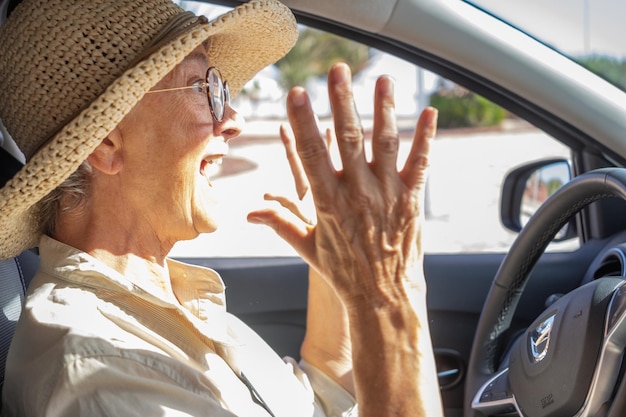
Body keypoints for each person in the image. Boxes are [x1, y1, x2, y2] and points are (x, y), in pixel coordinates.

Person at [0, 0, 443, 416]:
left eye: (221, 87)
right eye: (203, 87)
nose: (233, 119)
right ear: (106, 144)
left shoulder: (157, 300)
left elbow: (315, 402)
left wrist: (347, 271)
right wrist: (386, 295)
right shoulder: (98, 368)